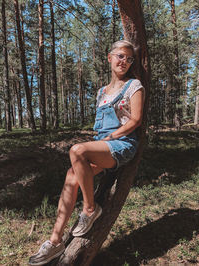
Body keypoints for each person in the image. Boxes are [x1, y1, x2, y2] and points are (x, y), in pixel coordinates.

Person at [29, 40, 145, 265]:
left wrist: (111, 137)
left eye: (129, 59)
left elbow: (136, 120)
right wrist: (103, 139)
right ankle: (54, 241)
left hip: (122, 144)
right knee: (71, 176)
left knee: (77, 149)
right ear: (109, 57)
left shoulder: (134, 85)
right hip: (102, 145)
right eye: (120, 56)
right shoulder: (102, 91)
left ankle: (90, 209)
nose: (124, 61)